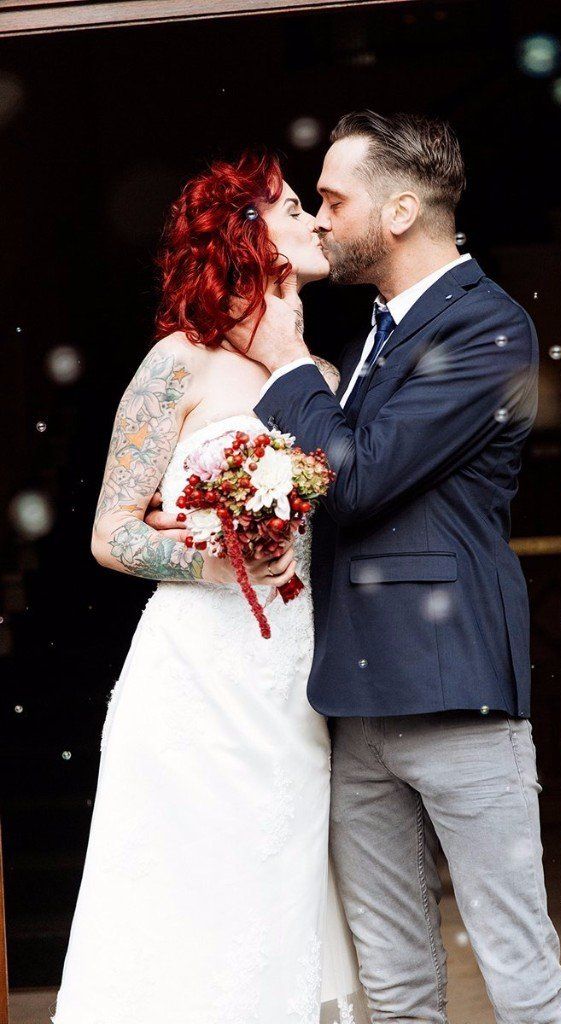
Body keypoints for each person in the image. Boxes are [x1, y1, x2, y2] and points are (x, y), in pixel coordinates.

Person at [191, 110, 561, 1023]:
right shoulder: (374, 330)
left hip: (452, 693)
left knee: (523, 983)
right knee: (398, 992)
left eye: (333, 200)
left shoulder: (488, 326)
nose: (320, 218)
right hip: (352, 701)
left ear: (401, 210)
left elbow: (359, 479)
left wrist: (287, 364)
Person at [51, 151, 364, 1024]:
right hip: (194, 679)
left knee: (276, 895)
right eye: (293, 207)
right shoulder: (177, 364)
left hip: (292, 679)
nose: (315, 220)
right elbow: (111, 534)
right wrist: (213, 559)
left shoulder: (322, 384)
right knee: (182, 903)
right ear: (243, 233)